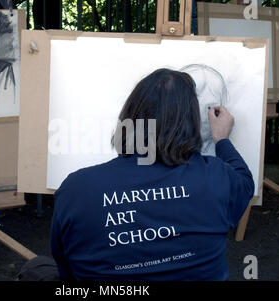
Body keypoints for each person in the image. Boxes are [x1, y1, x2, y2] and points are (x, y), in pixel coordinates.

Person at [50, 68, 254, 281]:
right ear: (191, 122)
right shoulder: (216, 177)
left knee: (39, 269)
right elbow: (245, 182)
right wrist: (222, 140)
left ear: (129, 116)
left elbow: (65, 264)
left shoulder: (77, 189)